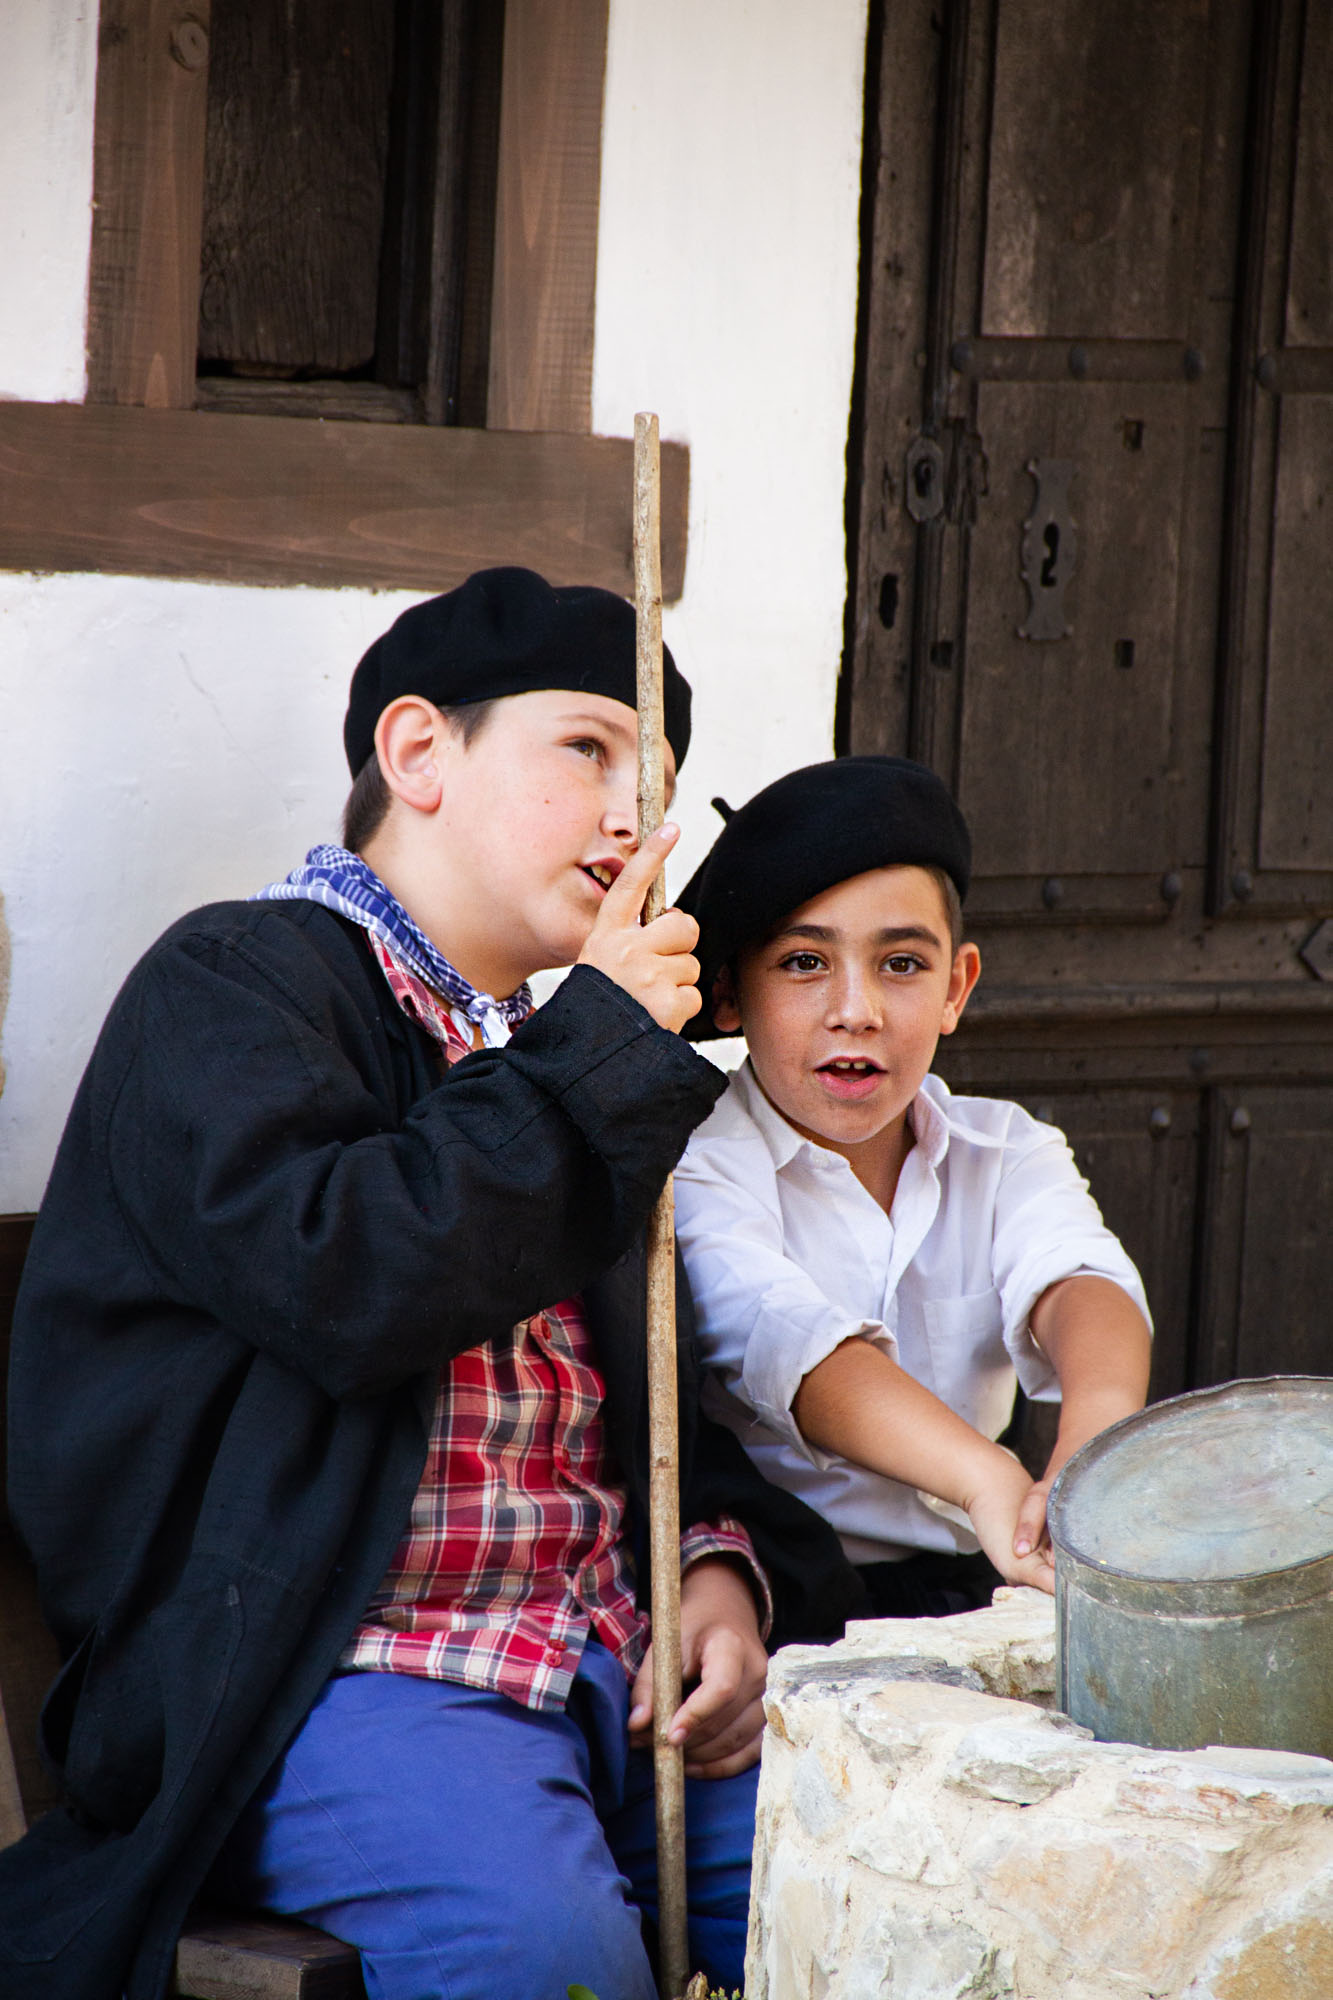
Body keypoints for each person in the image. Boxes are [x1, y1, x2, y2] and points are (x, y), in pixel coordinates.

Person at [0, 570, 863, 2000]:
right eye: (587, 748)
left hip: (610, 1657)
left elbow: (651, 1396)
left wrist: (714, 1566)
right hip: (339, 1674)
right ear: (418, 755)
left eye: (653, 779)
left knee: (884, 1890)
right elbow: (349, 1278)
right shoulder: (233, 983)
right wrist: (590, 1054)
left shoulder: (568, 1046)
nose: (627, 819)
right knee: (546, 1961)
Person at [673, 756, 1153, 1619]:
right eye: (801, 962)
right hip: (775, 1587)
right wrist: (982, 1476)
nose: (854, 1009)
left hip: (979, 1578)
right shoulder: (699, 1163)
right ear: (730, 992)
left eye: (900, 964)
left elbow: (1078, 1277)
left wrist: (1093, 1438)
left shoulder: (1002, 1147)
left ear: (954, 988)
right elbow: (788, 1342)